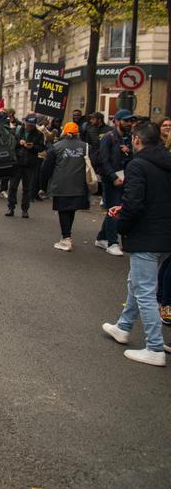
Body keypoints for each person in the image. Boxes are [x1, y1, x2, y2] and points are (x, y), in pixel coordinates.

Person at [102, 122, 171, 367]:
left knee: (144, 290)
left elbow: (133, 202)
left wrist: (122, 224)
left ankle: (154, 347)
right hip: (165, 234)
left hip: (146, 235)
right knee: (137, 283)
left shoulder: (137, 165)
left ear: (138, 140)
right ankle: (124, 326)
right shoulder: (166, 161)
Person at [41, 122, 90, 251]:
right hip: (79, 185)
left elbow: (46, 167)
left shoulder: (56, 147)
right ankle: (67, 235)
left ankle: (66, 238)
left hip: (61, 185)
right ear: (77, 133)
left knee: (63, 211)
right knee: (71, 210)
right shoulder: (85, 146)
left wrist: (43, 185)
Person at [94, 109, 136, 257]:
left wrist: (129, 151)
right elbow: (103, 160)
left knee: (115, 208)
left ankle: (101, 237)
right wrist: (113, 178)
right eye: (126, 120)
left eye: (130, 121)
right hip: (111, 180)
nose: (129, 123)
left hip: (124, 179)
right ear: (117, 121)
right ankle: (112, 243)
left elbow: (132, 157)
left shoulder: (128, 137)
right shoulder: (108, 137)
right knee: (115, 210)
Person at [6, 115, 45, 218]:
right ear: (25, 123)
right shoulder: (18, 130)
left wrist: (33, 147)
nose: (29, 127)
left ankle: (25, 209)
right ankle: (11, 207)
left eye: (31, 126)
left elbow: (41, 148)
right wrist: (19, 142)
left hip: (30, 164)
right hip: (17, 162)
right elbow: (11, 143)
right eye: (28, 125)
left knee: (27, 188)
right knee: (13, 187)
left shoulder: (39, 134)